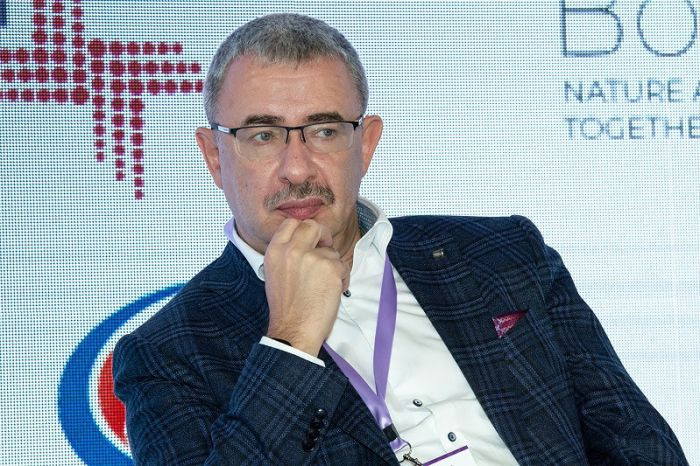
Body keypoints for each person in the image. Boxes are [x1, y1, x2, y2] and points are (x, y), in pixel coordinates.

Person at [113, 13, 688, 465]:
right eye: (263, 135)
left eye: (324, 130)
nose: (296, 167)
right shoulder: (168, 355)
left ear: (365, 144)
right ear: (215, 155)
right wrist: (290, 343)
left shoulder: (505, 255)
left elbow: (641, 444)